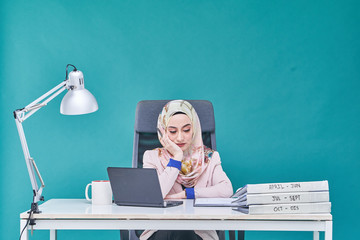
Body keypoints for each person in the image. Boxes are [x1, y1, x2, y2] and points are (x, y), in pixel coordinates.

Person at [140, 100, 233, 240]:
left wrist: (187, 194)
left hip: (199, 233)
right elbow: (154, 194)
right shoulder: (151, 157)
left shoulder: (210, 157)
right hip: (161, 230)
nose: (180, 137)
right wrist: (177, 157)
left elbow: (226, 190)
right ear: (163, 131)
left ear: (194, 129)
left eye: (186, 130)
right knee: (179, 231)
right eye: (172, 131)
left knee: (185, 232)